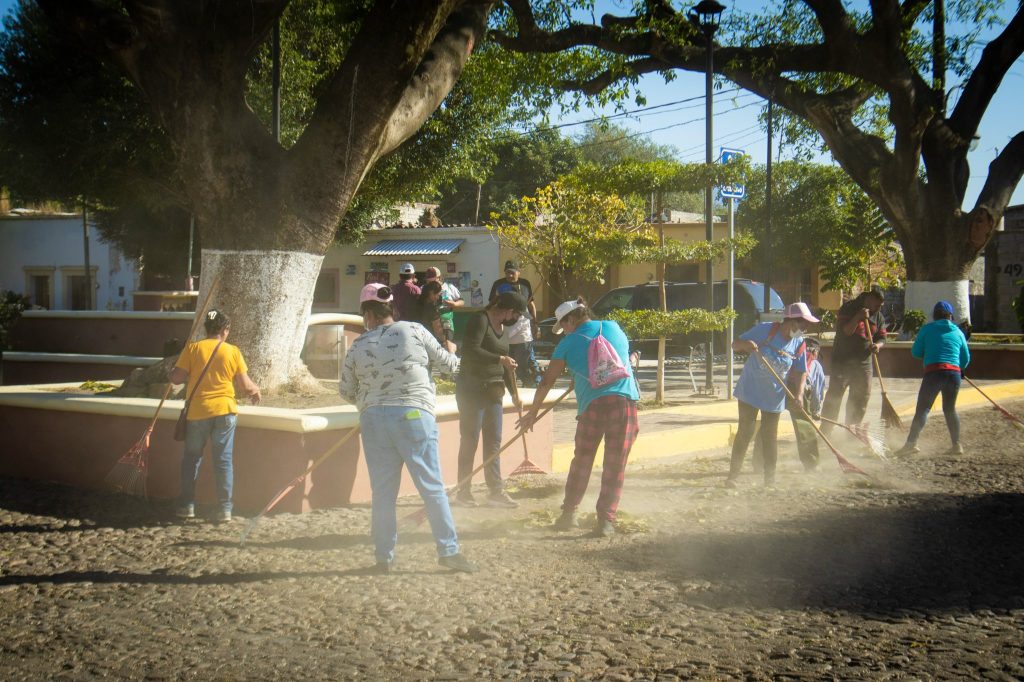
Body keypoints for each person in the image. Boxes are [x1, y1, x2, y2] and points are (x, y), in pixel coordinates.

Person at [340, 283, 477, 574]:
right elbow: (451, 368)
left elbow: (346, 390)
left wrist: (370, 400)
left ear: (367, 313)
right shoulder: (414, 330)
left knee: (383, 494)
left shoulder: (358, 345)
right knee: (431, 488)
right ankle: (448, 552)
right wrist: (451, 350)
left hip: (374, 420)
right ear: (392, 308)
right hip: (414, 416)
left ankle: (383, 558)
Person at [519, 297, 640, 537]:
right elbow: (621, 357)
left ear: (571, 319)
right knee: (615, 465)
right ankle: (605, 521)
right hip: (624, 402)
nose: (563, 331)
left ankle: (568, 515)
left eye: (563, 325)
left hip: (592, 407)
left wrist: (533, 412)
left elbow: (547, 381)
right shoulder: (613, 327)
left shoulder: (567, 343)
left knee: (582, 462)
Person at [169, 309, 261, 522]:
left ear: (206, 329)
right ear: (225, 330)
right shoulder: (233, 351)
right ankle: (225, 509)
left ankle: (187, 506)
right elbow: (246, 385)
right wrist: (255, 391)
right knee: (223, 461)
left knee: (191, 460)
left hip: (198, 413)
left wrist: (170, 373)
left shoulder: (192, 349)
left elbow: (177, 378)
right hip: (225, 411)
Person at [726, 302, 817, 488]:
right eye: (802, 324)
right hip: (750, 391)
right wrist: (746, 344)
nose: (805, 328)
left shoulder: (799, 343)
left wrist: (799, 394)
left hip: (774, 396)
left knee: (770, 436)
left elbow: (801, 371)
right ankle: (732, 477)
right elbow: (735, 344)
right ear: (790, 321)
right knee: (745, 432)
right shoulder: (766, 330)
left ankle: (769, 480)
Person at [453, 291, 526, 508]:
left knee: (493, 442)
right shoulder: (480, 319)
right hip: (471, 390)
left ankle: (495, 490)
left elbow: (504, 365)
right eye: (516, 312)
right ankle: (463, 492)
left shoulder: (503, 330)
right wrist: (499, 358)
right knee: (470, 441)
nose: (515, 317)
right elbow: (470, 350)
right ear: (506, 308)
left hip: (494, 392)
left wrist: (514, 393)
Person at [895, 300, 971, 457]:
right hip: (953, 374)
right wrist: (960, 368)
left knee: (923, 408)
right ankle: (956, 445)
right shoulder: (958, 333)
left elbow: (915, 352)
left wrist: (929, 354)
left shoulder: (927, 329)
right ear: (951, 316)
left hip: (934, 372)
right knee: (950, 409)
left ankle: (911, 444)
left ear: (934, 316)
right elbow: (965, 358)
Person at [820, 288, 887, 434]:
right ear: (869, 299)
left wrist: (878, 345)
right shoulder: (848, 308)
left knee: (861, 399)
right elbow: (847, 331)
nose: (879, 308)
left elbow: (882, 337)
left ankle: (852, 433)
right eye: (877, 305)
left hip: (864, 364)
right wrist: (858, 317)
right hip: (842, 362)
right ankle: (825, 432)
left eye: (881, 306)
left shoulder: (878, 316)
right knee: (835, 397)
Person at [489, 260, 542, 387]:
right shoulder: (498, 284)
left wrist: (535, 323)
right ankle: (508, 386)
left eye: (512, 273)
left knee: (526, 360)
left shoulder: (525, 284)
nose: (510, 275)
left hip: (522, 326)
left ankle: (535, 385)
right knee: (507, 362)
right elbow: (492, 304)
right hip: (504, 327)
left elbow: (531, 305)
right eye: (507, 273)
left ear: (519, 272)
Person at [790, 337, 826, 471]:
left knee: (769, 420)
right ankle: (812, 464)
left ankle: (760, 461)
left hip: (781, 386)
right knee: (804, 425)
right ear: (816, 353)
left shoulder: (792, 354)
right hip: (801, 391)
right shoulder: (816, 365)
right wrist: (816, 411)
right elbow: (818, 391)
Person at [424, 266, 464, 344]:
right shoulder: (424, 288)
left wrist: (454, 304)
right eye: (429, 281)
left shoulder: (449, 287)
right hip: (429, 323)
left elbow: (462, 301)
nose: (431, 283)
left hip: (446, 323)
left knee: (447, 344)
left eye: (433, 280)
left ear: (439, 278)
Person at [414, 280, 447, 346]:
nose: (438, 298)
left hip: (415, 338)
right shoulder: (431, 307)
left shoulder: (415, 303)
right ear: (431, 293)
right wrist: (444, 342)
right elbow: (437, 329)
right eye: (437, 294)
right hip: (428, 341)